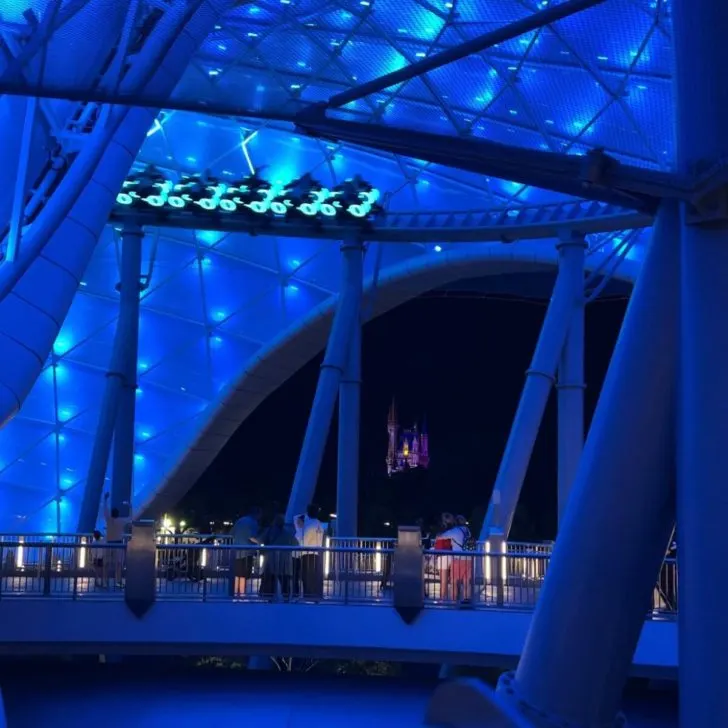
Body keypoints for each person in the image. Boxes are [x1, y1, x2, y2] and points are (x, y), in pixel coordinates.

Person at [258, 515, 299, 601]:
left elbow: (260, 540)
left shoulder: (269, 531)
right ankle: (286, 597)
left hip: (270, 558)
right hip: (285, 560)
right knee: (284, 579)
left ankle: (267, 596)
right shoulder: (287, 533)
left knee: (269, 578)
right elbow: (296, 544)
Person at [230, 507, 262, 596]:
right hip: (247, 551)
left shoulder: (240, 520)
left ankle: (236, 593)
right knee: (244, 574)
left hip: (236, 550)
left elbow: (231, 533)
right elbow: (251, 537)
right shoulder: (253, 522)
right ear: (257, 514)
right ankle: (243, 594)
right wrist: (261, 542)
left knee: (237, 574)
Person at [103, 493, 130, 587]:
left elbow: (105, 510)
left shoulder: (108, 520)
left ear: (112, 513)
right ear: (118, 514)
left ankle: (105, 581)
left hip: (108, 543)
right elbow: (131, 518)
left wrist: (105, 499)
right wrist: (129, 506)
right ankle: (118, 581)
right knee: (118, 564)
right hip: (118, 544)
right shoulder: (121, 521)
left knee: (106, 564)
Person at [301, 503, 325, 600]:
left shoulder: (307, 524)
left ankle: (308, 595)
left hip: (307, 552)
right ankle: (317, 594)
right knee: (316, 575)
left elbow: (303, 539)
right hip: (317, 552)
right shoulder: (319, 524)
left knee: (307, 575)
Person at [292, 514, 305, 600]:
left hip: (300, 556)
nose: (298, 523)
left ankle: (298, 592)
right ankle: (295, 592)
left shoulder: (303, 531)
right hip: (294, 556)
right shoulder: (298, 531)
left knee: (298, 575)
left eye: (300, 521)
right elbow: (294, 517)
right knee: (295, 575)